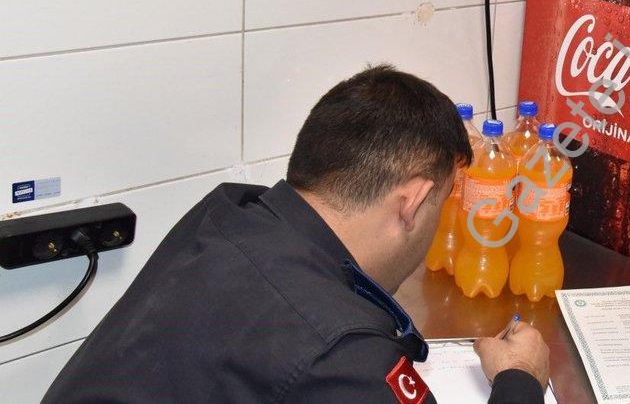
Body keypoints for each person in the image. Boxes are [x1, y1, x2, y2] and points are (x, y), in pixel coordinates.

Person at [45, 65, 549, 403]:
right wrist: (520, 379)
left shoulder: (227, 215)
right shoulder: (338, 350)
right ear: (413, 201)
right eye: (444, 201)